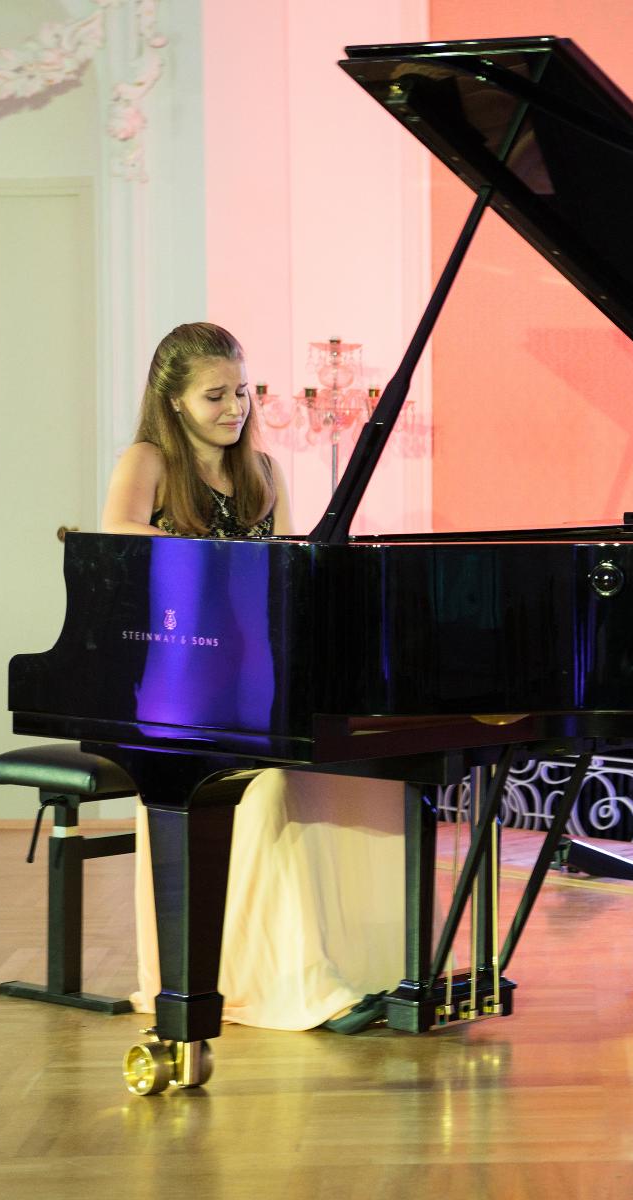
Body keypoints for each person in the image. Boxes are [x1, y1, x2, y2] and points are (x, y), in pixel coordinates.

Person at [102, 322, 403, 1030]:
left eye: (241, 391)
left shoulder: (262, 472)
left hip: (252, 675)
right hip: (180, 681)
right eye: (215, 396)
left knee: (357, 772)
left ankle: (367, 968)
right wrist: (217, 552)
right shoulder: (147, 459)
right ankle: (289, 984)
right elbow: (116, 534)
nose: (235, 407)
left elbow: (292, 573)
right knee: (268, 792)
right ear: (173, 402)